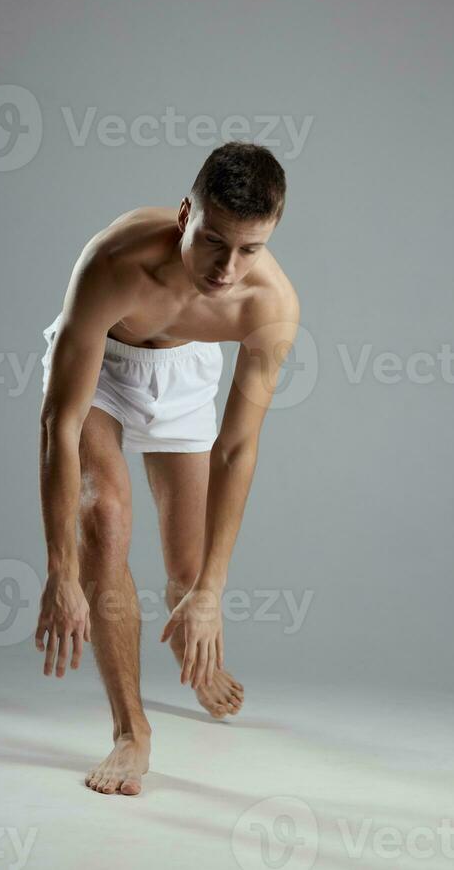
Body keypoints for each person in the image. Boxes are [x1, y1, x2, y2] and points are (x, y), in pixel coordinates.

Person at [36, 141, 300, 795]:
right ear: (187, 213)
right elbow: (59, 424)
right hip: (104, 369)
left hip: (184, 380)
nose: (227, 267)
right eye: (214, 240)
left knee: (186, 574)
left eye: (250, 249)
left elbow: (237, 449)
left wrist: (211, 590)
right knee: (105, 519)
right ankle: (131, 731)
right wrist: (59, 570)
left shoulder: (268, 307)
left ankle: (195, 640)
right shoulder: (115, 261)